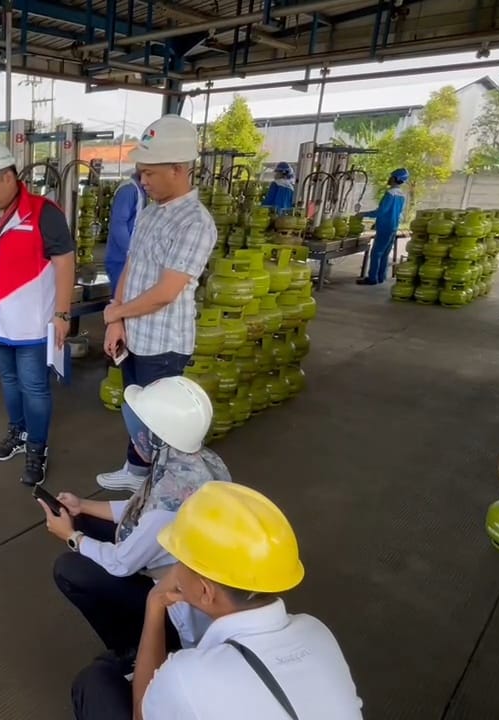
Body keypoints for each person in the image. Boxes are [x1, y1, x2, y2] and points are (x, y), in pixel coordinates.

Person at [71, 482, 365, 720]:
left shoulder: (188, 675)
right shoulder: (316, 632)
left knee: (94, 682)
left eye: (180, 560)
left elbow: (142, 714)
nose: (174, 567)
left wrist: (154, 603)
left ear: (205, 590)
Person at [40, 376, 229, 665]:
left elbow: (121, 563)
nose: (135, 434)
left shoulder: (169, 504)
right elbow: (139, 507)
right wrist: (83, 506)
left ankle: (131, 652)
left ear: (158, 433)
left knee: (69, 569)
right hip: (187, 574)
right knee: (84, 522)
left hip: (180, 603)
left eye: (143, 428)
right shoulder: (189, 461)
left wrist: (70, 536)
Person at [98, 115, 217, 494]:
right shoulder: (151, 213)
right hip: (135, 334)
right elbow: (131, 266)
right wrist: (116, 319)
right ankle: (136, 470)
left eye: (149, 173)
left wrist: (116, 312)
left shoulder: (196, 223)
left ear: (178, 169)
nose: (143, 181)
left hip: (164, 345)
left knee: (160, 423)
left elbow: (167, 291)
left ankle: (160, 491)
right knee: (136, 411)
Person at [0, 140, 76, 487]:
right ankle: (18, 434)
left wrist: (62, 315)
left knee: (35, 387)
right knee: (8, 381)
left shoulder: (42, 212)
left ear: (9, 177)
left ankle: (38, 447)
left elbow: (65, 263)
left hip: (32, 325)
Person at [358, 168, 409, 286]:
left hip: (385, 226)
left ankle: (372, 278)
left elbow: (381, 211)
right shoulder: (401, 196)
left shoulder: (390, 194)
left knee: (376, 253)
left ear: (396, 179)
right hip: (393, 226)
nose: (389, 178)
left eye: (391, 176)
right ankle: (381, 276)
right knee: (385, 253)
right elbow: (398, 212)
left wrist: (363, 214)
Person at [105, 171, 146, 296]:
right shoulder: (128, 190)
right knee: (122, 301)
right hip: (121, 260)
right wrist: (132, 253)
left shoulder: (142, 191)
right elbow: (118, 225)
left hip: (132, 258)